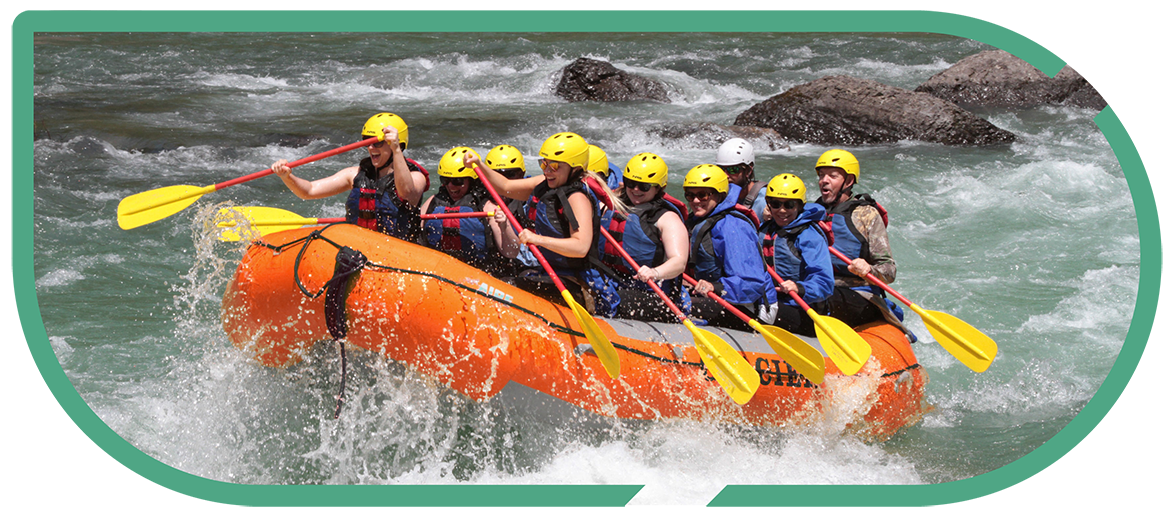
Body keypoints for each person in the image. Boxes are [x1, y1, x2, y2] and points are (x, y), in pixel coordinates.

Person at [466, 132, 626, 317]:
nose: (547, 170)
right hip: (550, 271)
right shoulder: (546, 183)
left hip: (578, 279)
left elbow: (580, 246)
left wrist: (537, 239)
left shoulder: (577, 198)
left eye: (555, 165)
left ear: (574, 168)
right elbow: (505, 187)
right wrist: (479, 164)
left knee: (513, 287)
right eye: (544, 163)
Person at [272, 112, 429, 241]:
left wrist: (396, 150)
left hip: (399, 252)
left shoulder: (416, 177)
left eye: (377, 143)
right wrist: (287, 177)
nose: (370, 147)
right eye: (367, 141)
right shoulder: (354, 174)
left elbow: (407, 193)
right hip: (359, 248)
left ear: (398, 144)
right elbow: (309, 191)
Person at [812, 149, 909, 332]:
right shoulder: (811, 213)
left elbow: (889, 271)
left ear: (848, 181)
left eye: (832, 176)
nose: (824, 180)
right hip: (819, 287)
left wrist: (868, 269)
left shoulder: (866, 215)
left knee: (820, 299)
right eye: (822, 175)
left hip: (859, 294)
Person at [597, 152, 691, 322]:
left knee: (621, 301)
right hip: (609, 281)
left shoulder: (667, 218)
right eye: (631, 183)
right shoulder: (611, 204)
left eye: (644, 187)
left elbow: (679, 262)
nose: (635, 190)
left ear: (658, 188)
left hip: (647, 289)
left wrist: (655, 272)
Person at [683, 164, 777, 331]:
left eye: (703, 195)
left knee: (680, 306)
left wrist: (716, 287)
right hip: (717, 297)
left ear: (720, 195)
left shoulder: (733, 226)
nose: (695, 201)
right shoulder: (698, 220)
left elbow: (751, 283)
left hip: (750, 306)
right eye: (690, 195)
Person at [757, 173, 834, 336]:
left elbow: (825, 283)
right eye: (776, 204)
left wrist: (799, 287)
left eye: (789, 205)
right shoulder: (764, 230)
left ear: (799, 206)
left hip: (802, 310)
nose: (782, 210)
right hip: (770, 301)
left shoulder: (809, 235)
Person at [419, 147, 516, 276]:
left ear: (472, 180)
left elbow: (511, 253)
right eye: (446, 181)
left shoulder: (487, 207)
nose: (451, 186)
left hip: (480, 275)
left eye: (457, 181)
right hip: (440, 271)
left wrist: (504, 226)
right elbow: (417, 241)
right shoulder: (432, 203)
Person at [716, 138, 766, 224]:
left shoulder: (763, 201)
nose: (726, 175)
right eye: (721, 169)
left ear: (748, 170)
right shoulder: (717, 196)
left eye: (733, 169)